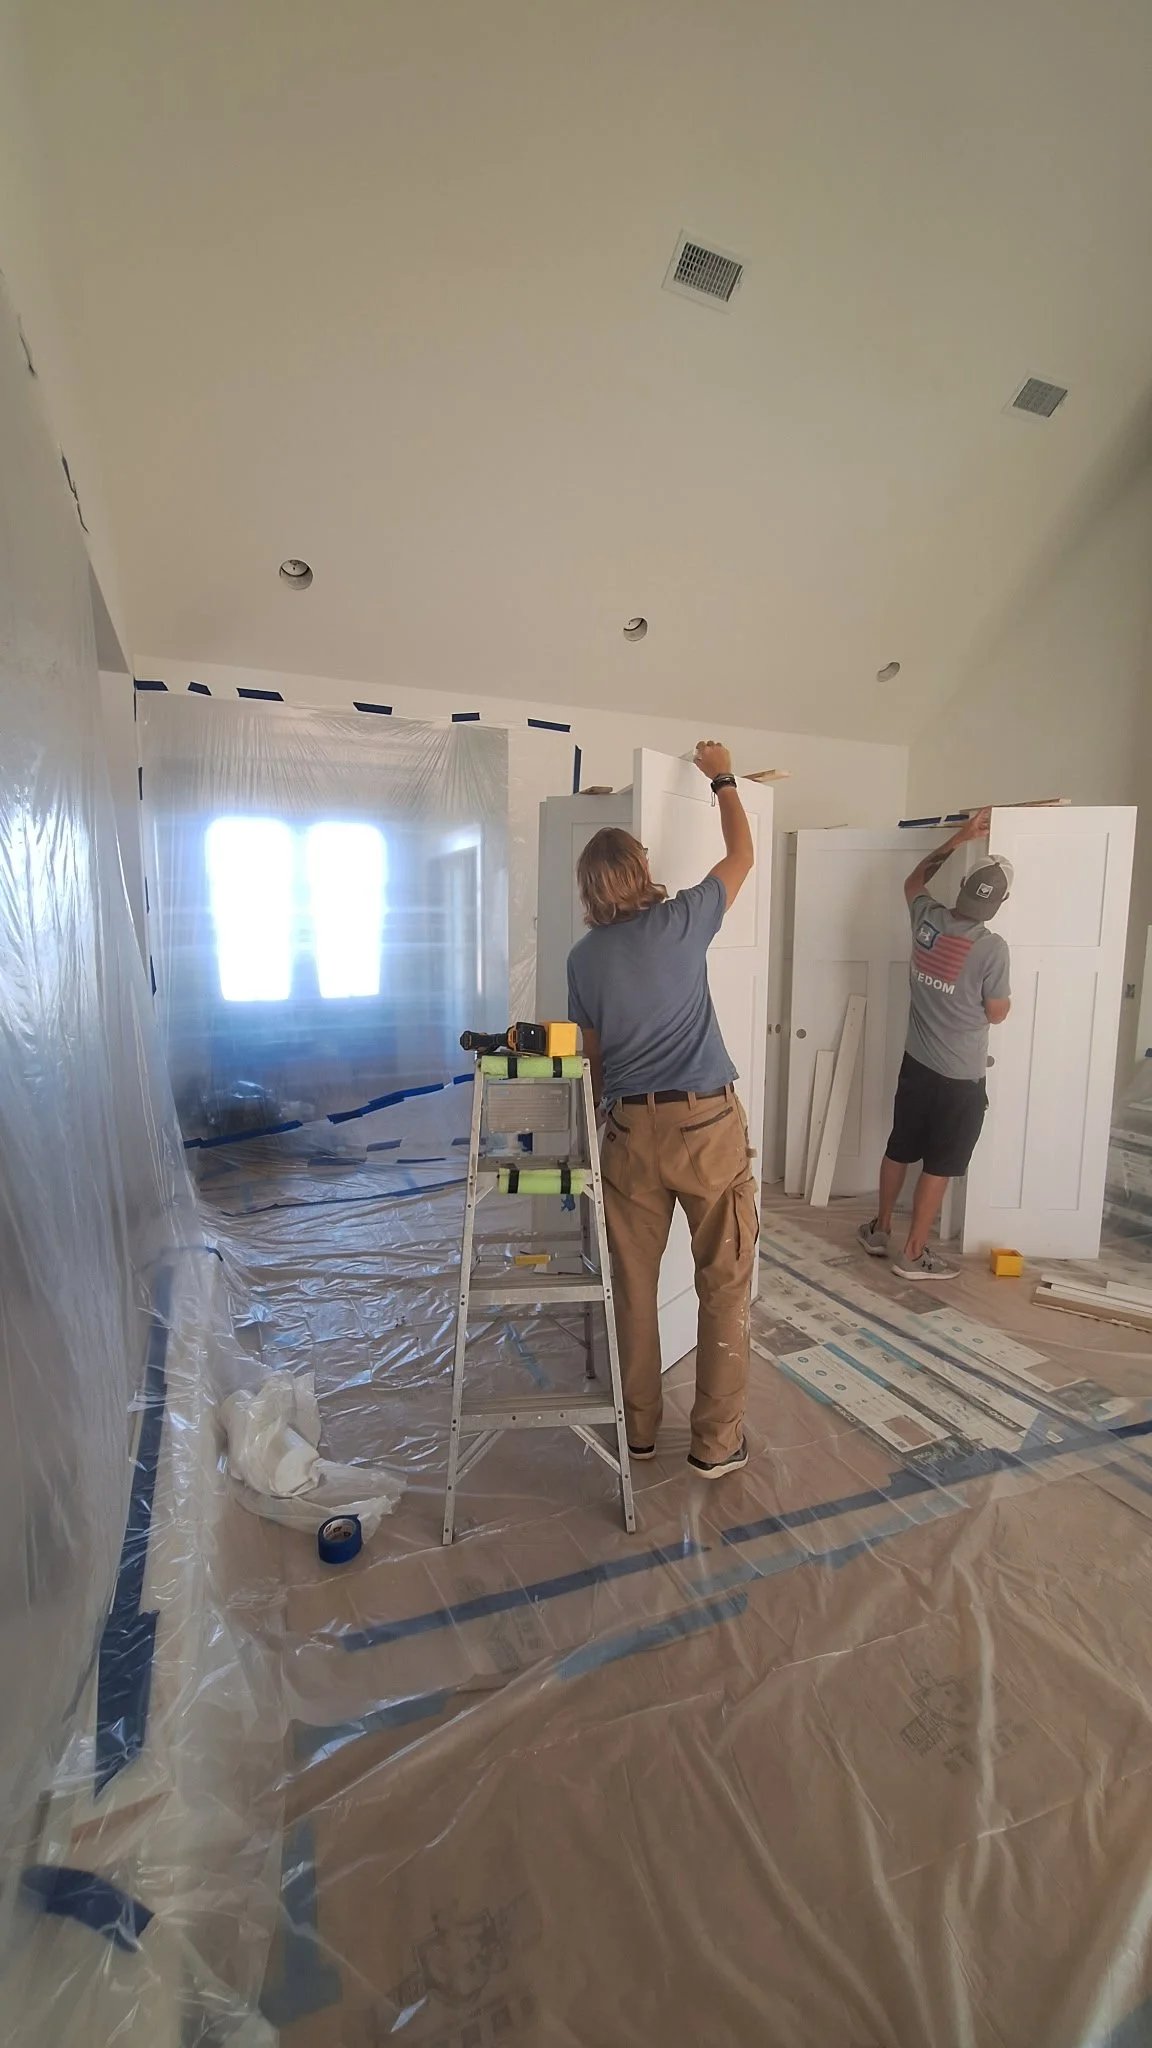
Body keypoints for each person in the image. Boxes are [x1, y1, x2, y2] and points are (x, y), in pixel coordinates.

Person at [566, 742, 757, 1478]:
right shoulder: (683, 920)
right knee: (724, 1282)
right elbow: (741, 853)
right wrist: (723, 778)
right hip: (706, 1127)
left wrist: (595, 1138)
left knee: (635, 1289)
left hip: (628, 1134)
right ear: (640, 873)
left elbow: (593, 1060)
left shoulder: (584, 960)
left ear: (590, 889)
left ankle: (637, 1434)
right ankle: (715, 1443)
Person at [858, 808, 1012, 1280]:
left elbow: (914, 881)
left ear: (962, 892)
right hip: (960, 1078)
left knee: (900, 1147)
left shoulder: (928, 920)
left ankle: (880, 1230)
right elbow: (997, 1012)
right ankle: (914, 1253)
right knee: (940, 1165)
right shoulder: (992, 947)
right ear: (1000, 904)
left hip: (917, 1066)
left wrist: (958, 839)